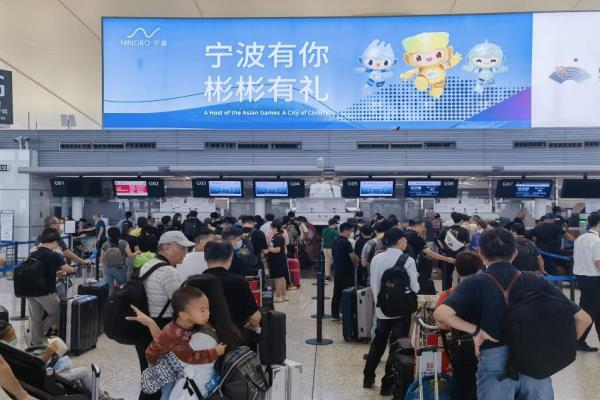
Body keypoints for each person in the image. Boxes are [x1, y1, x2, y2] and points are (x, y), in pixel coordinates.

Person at [434, 228, 592, 400]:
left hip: (494, 361)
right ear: (515, 253)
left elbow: (442, 314)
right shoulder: (535, 280)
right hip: (535, 359)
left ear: (481, 254)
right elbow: (583, 319)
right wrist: (558, 347)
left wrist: (475, 331)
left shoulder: (475, 283)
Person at [136, 231, 193, 400]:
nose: (186, 252)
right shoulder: (169, 271)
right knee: (162, 381)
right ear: (167, 247)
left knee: (150, 377)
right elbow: (181, 305)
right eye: (182, 248)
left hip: (145, 325)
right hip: (163, 327)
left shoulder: (148, 264)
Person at [363, 228, 419, 395]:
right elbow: (415, 288)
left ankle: (368, 378)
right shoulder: (408, 260)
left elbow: (374, 284)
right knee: (396, 347)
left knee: (378, 343)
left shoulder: (376, 258)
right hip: (401, 312)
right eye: (405, 240)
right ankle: (386, 385)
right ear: (401, 241)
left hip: (382, 309)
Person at [435, 251, 484, 400]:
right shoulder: (488, 292)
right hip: (486, 344)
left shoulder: (448, 294)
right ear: (480, 269)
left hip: (461, 345)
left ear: (456, 270)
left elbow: (440, 324)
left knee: (461, 381)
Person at [203, 240, 261, 337]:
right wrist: (251, 326)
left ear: (205, 257)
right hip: (235, 336)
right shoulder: (239, 282)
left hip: (205, 338)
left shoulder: (194, 282)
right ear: (230, 258)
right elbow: (255, 318)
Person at [27, 229, 75, 346]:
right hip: (45, 291)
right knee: (59, 311)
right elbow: (69, 269)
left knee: (36, 318)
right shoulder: (54, 255)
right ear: (54, 242)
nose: (57, 246)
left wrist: (55, 273)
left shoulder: (33, 254)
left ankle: (35, 344)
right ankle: (37, 335)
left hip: (30, 290)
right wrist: (72, 269)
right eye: (57, 244)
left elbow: (39, 271)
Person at [573, 211, 600, 352]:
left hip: (582, 279)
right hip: (594, 280)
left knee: (588, 310)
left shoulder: (580, 238)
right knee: (590, 312)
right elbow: (599, 263)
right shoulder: (597, 241)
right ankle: (577, 341)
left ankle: (579, 340)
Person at [405, 219, 455, 293]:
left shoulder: (404, 233)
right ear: (418, 226)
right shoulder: (416, 237)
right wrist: (447, 259)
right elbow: (431, 253)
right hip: (414, 265)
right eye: (423, 227)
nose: (424, 229)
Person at [330, 223, 358, 320]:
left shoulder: (335, 240)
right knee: (347, 293)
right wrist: (356, 262)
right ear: (346, 230)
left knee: (337, 292)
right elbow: (352, 257)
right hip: (347, 271)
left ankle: (334, 314)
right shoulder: (346, 242)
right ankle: (346, 315)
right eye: (350, 231)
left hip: (337, 270)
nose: (351, 233)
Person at [437, 212, 471, 290]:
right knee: (460, 274)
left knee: (446, 275)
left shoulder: (446, 229)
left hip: (447, 255)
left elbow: (439, 239)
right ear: (461, 220)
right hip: (459, 256)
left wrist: (443, 248)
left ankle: (446, 292)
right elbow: (467, 244)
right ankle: (459, 291)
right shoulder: (464, 231)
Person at [101, 227, 139, 295]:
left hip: (107, 268)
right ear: (119, 233)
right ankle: (120, 300)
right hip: (120, 268)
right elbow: (130, 255)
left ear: (108, 234)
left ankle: (110, 300)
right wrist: (137, 252)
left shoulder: (105, 244)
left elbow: (102, 259)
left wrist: (104, 266)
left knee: (109, 288)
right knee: (122, 287)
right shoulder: (124, 243)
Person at [267, 220, 289, 302]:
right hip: (280, 259)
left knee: (277, 278)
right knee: (282, 277)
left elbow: (277, 249)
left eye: (271, 228)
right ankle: (284, 296)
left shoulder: (277, 237)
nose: (271, 230)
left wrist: (268, 249)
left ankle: (278, 296)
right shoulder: (279, 236)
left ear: (275, 228)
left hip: (277, 260)